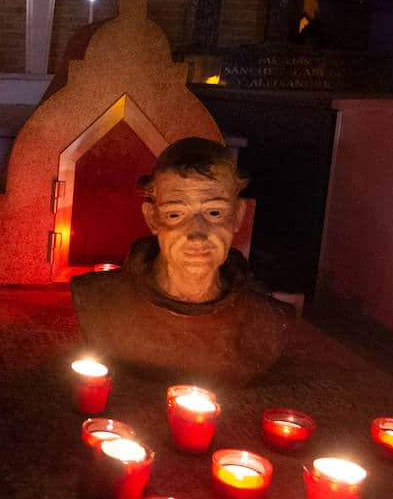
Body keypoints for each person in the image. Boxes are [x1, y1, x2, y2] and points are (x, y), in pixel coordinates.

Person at [69, 137, 293, 387]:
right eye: (175, 215)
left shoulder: (268, 325)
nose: (197, 233)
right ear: (152, 217)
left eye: (214, 213)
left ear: (238, 215)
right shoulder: (99, 302)